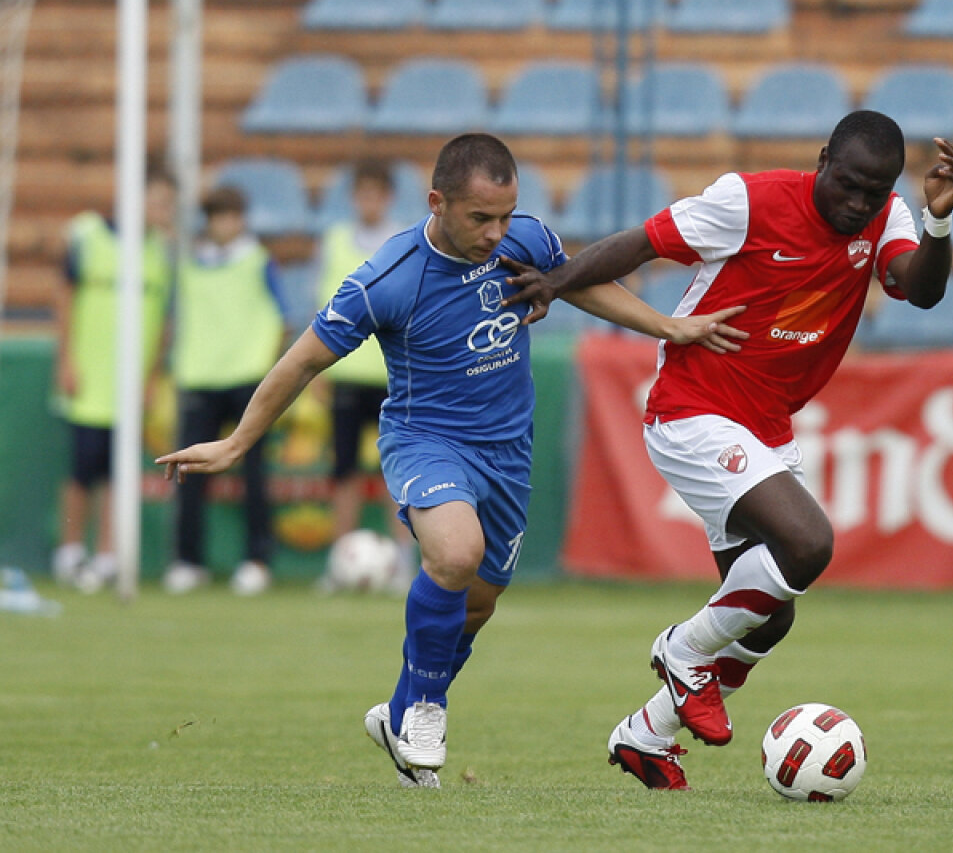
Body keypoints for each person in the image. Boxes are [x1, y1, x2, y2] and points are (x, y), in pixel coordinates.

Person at [154, 133, 747, 789]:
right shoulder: (389, 278)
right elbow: (303, 360)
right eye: (480, 218)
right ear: (437, 202)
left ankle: (401, 713)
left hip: (506, 452)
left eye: (505, 215)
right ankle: (429, 709)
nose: (497, 233)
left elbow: (579, 283)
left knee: (478, 602)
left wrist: (671, 326)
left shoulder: (523, 238)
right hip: (425, 441)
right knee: (455, 554)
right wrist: (237, 441)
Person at [501, 110, 953, 790]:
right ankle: (682, 649)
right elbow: (640, 244)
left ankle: (647, 731)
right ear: (822, 160)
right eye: (847, 184)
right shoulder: (748, 201)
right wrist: (556, 282)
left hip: (766, 426)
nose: (857, 203)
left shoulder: (886, 217)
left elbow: (920, 290)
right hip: (694, 410)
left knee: (770, 616)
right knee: (807, 544)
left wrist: (938, 223)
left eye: (874, 190)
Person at [52, 161, 176, 593]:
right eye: (158, 200)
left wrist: (151, 378)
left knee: (117, 472)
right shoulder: (86, 236)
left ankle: (108, 554)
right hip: (91, 379)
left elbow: (164, 323)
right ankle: (69, 551)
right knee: (82, 468)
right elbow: (64, 300)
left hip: (130, 386)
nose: (165, 210)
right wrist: (65, 360)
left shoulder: (162, 252)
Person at [162, 185, 287, 597]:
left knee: (254, 474)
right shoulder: (189, 264)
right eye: (218, 216)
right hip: (199, 377)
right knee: (189, 475)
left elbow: (283, 317)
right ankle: (188, 560)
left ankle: (257, 560)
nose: (225, 224)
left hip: (248, 379)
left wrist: (268, 368)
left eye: (232, 216)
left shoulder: (258, 261)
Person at [316, 158, 416, 592]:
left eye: (377, 194)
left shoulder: (405, 241)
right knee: (344, 472)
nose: (369, 202)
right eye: (362, 194)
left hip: (390, 375)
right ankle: (341, 562)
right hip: (346, 372)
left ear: (388, 198)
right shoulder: (335, 241)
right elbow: (321, 304)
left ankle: (404, 565)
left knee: (399, 473)